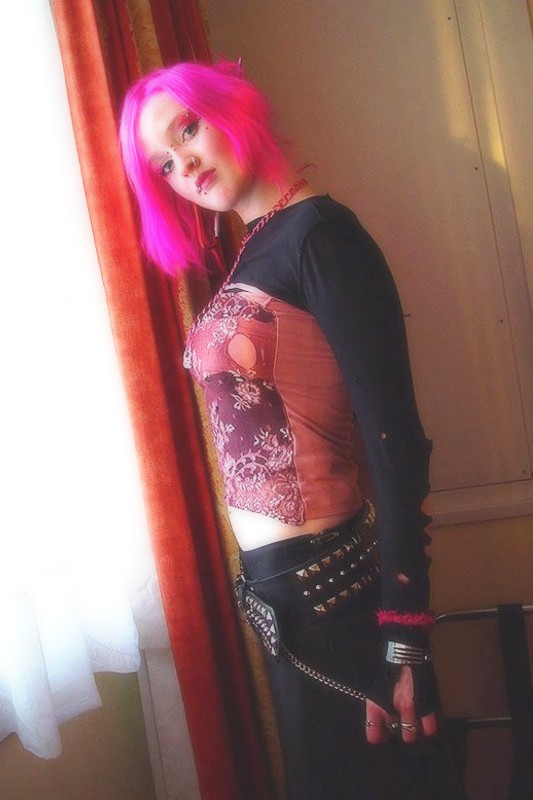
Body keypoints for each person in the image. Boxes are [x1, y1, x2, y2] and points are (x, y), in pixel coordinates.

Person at [119, 60, 456, 800]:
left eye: (187, 129)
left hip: (338, 593)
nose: (184, 166)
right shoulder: (256, 245)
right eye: (164, 164)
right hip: (287, 607)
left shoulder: (321, 236)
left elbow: (395, 440)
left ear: (232, 105)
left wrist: (406, 631)